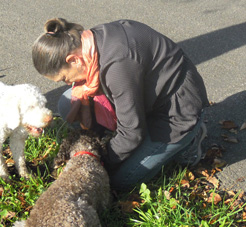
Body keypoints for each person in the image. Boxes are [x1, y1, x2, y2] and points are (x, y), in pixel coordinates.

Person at [32, 18, 209, 190]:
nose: (67, 83)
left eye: (64, 78)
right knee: (67, 103)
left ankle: (190, 140)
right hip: (145, 96)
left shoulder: (118, 65)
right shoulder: (88, 42)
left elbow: (132, 132)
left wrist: (98, 159)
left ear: (73, 60)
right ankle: (116, 132)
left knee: (117, 180)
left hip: (175, 112)